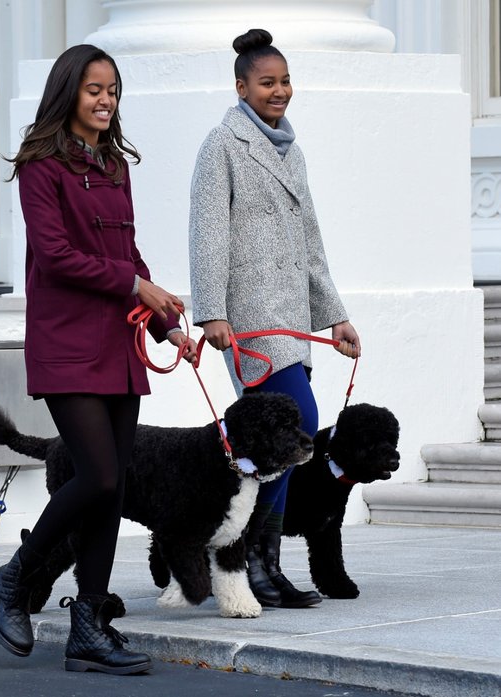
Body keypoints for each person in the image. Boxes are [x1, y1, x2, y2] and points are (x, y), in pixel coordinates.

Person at [0, 44, 198, 675]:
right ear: (68, 93)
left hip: (119, 346)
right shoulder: (39, 166)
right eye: (94, 90)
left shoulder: (112, 164)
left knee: (111, 492)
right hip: (67, 345)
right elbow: (55, 257)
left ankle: (88, 627)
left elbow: (130, 259)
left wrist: (167, 328)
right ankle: (14, 578)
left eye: (113, 91)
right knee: (99, 477)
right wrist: (137, 288)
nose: (106, 101)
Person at [188, 29, 361, 609]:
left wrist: (334, 316)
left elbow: (311, 241)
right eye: (267, 82)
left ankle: (263, 564)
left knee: (278, 440)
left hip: (293, 320)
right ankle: (248, 563)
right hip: (250, 321)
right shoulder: (223, 144)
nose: (280, 91)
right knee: (296, 426)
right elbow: (207, 233)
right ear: (241, 87)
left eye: (285, 80)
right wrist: (211, 312)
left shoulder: (294, 149)